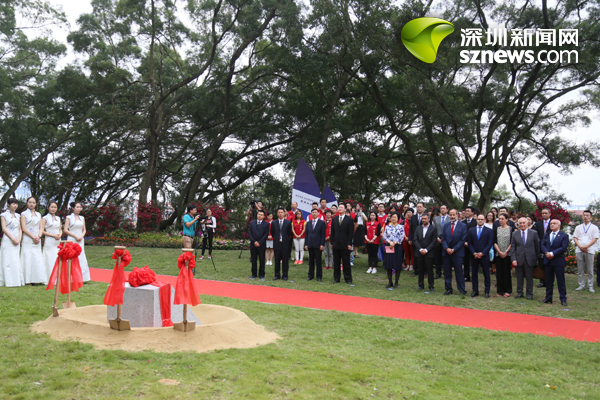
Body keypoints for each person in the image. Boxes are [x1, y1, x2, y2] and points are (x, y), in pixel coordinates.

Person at [541, 219, 569, 306]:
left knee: (560, 281)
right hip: (548, 260)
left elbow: (563, 247)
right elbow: (542, 244)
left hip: (558, 261)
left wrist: (552, 253)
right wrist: (547, 253)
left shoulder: (564, 235)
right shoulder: (547, 234)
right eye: (551, 223)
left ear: (559, 225)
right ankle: (548, 298)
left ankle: (563, 299)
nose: (552, 225)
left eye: (554, 223)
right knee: (549, 281)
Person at [510, 217, 540, 300]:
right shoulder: (514, 234)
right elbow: (513, 247)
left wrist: (535, 258)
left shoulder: (533, 233)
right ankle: (520, 292)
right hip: (519, 259)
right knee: (519, 277)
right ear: (518, 224)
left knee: (529, 277)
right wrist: (513, 259)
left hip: (530, 259)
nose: (522, 224)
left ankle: (529, 293)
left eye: (524, 223)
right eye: (520, 223)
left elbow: (537, 247)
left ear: (527, 223)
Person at [20, 197, 47, 285]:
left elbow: (41, 227)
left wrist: (39, 236)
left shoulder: (38, 214)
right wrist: (33, 237)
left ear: (36, 204)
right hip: (28, 238)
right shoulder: (23, 214)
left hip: (37, 239)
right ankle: (27, 280)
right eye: (30, 202)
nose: (31, 204)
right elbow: (24, 228)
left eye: (33, 202)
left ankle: (36, 279)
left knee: (36, 258)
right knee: (28, 258)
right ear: (27, 203)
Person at [467, 214, 494, 298]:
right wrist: (473, 253)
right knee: (474, 273)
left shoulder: (489, 230)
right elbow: (469, 243)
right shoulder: (471, 230)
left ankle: (487, 291)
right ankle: (475, 291)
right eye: (479, 219)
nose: (480, 221)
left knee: (486, 274)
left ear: (485, 220)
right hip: (474, 255)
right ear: (476, 220)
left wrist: (483, 253)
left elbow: (490, 243)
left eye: (482, 219)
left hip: (484, 255)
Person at [441, 209, 467, 295]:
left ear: (457, 215)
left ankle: (461, 289)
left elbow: (462, 240)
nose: (452, 216)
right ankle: (448, 289)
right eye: (450, 215)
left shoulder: (463, 226)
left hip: (457, 253)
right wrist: (447, 248)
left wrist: (454, 249)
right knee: (447, 272)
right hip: (447, 252)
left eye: (453, 215)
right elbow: (443, 238)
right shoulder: (446, 225)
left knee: (459, 272)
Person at [63, 202, 91, 282]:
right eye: (77, 207)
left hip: (80, 239)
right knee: (71, 256)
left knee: (81, 255)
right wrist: (75, 236)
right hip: (72, 239)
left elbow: (84, 229)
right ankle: (71, 276)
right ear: (73, 208)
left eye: (80, 207)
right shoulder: (69, 217)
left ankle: (82, 277)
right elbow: (65, 230)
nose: (79, 209)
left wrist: (81, 236)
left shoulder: (82, 218)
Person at [573, 210, 599, 293]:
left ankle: (590, 286)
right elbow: (575, 238)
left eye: (587, 215)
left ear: (591, 217)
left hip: (589, 250)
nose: (585, 217)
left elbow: (595, 239)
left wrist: (586, 247)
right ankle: (581, 285)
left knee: (590, 270)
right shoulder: (578, 227)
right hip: (579, 249)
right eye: (584, 215)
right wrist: (580, 246)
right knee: (580, 269)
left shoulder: (594, 228)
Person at [0, 198, 23, 287]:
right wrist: (12, 238)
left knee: (15, 259)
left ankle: (16, 280)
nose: (15, 205)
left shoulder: (18, 216)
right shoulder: (3, 215)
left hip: (17, 239)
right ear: (8, 205)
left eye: (16, 204)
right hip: (8, 239)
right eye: (13, 204)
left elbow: (20, 228)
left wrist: (19, 239)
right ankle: (7, 280)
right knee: (7, 259)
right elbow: (4, 228)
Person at [330, 203, 354, 284]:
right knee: (336, 262)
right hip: (336, 243)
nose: (340, 209)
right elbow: (332, 232)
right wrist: (332, 243)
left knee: (346, 262)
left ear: (345, 209)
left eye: (341, 207)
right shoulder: (334, 219)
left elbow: (350, 233)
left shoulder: (349, 219)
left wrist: (349, 243)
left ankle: (348, 279)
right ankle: (336, 278)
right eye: (339, 207)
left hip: (345, 244)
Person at [413, 213, 437, 291]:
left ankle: (431, 286)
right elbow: (415, 239)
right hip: (419, 252)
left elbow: (434, 241)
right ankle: (420, 285)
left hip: (429, 252)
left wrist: (426, 249)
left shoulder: (433, 228)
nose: (423, 220)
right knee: (420, 270)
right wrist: (420, 249)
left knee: (430, 270)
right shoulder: (418, 228)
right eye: (422, 219)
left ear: (429, 219)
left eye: (425, 219)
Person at [494, 213, 515, 297]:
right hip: (498, 254)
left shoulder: (510, 229)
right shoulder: (496, 229)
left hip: (507, 254)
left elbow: (512, 242)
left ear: (507, 219)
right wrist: (499, 252)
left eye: (502, 219)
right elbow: (494, 241)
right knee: (499, 272)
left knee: (506, 272)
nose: (500, 220)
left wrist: (506, 251)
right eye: (499, 219)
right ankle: (500, 290)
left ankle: (507, 290)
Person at [383, 211, 404, 289]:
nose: (393, 218)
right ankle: (390, 282)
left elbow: (401, 237)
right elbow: (385, 236)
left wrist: (394, 243)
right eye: (392, 217)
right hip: (389, 246)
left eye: (395, 217)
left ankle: (396, 282)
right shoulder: (387, 227)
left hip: (397, 246)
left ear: (398, 218)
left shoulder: (400, 227)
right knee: (389, 264)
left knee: (397, 264)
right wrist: (389, 242)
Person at [41, 201, 62, 280]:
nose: (53, 209)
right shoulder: (45, 218)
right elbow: (42, 231)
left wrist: (60, 234)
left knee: (57, 257)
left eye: (55, 207)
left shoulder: (58, 218)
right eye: (52, 207)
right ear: (48, 208)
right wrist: (53, 235)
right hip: (49, 240)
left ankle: (58, 277)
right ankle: (49, 277)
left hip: (57, 240)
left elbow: (60, 229)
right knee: (49, 258)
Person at [305, 208, 326, 281]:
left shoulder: (321, 223)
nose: (314, 213)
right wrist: (306, 244)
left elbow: (323, 234)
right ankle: (310, 275)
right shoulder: (308, 223)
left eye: (315, 212)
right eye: (313, 212)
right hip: (310, 244)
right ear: (311, 214)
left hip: (318, 245)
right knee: (311, 261)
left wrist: (322, 244)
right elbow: (306, 234)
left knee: (318, 261)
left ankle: (319, 276)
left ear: (318, 214)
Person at [271, 208, 292, 281]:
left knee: (285, 260)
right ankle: (277, 275)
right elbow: (272, 232)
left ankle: (285, 275)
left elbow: (289, 233)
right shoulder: (274, 223)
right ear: (277, 214)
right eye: (279, 212)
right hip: (277, 243)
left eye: (282, 212)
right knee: (277, 260)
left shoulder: (288, 222)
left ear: (284, 213)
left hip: (285, 244)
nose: (280, 214)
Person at [248, 209, 269, 280]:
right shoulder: (252, 223)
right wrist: (254, 242)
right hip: (253, 245)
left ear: (264, 216)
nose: (259, 216)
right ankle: (254, 274)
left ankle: (261, 274)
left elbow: (266, 234)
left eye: (261, 215)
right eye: (258, 214)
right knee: (253, 260)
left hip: (261, 245)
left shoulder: (266, 224)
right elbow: (250, 233)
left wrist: (260, 242)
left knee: (262, 260)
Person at [534, 207, 552, 288]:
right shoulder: (538, 224)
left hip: (550, 246)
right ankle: (542, 281)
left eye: (546, 213)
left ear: (549, 214)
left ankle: (549, 281)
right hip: (540, 246)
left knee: (550, 265)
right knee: (541, 264)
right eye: (543, 213)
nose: (544, 215)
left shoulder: (553, 223)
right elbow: (536, 235)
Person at [408, 202, 425, 275]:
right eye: (418, 207)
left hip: (424, 239)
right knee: (416, 255)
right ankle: (416, 270)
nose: (419, 208)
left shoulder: (426, 216)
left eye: (420, 207)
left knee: (424, 256)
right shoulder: (413, 217)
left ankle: (424, 271)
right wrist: (410, 239)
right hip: (415, 239)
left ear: (423, 208)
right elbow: (411, 229)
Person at [433, 204, 449, 279]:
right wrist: (436, 237)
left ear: (447, 210)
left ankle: (446, 273)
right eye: (441, 208)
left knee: (446, 258)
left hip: (447, 240)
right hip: (437, 240)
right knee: (437, 258)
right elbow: (433, 229)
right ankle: (438, 273)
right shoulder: (436, 219)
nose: (442, 210)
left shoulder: (450, 218)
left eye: (444, 208)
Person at [461, 206, 476, 283]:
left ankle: (474, 276)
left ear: (472, 213)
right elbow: (461, 233)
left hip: (473, 244)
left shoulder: (475, 222)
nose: (466, 212)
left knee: (473, 261)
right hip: (464, 244)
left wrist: (470, 242)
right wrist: (464, 242)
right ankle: (466, 276)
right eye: (466, 211)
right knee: (465, 260)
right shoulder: (462, 222)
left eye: (468, 211)